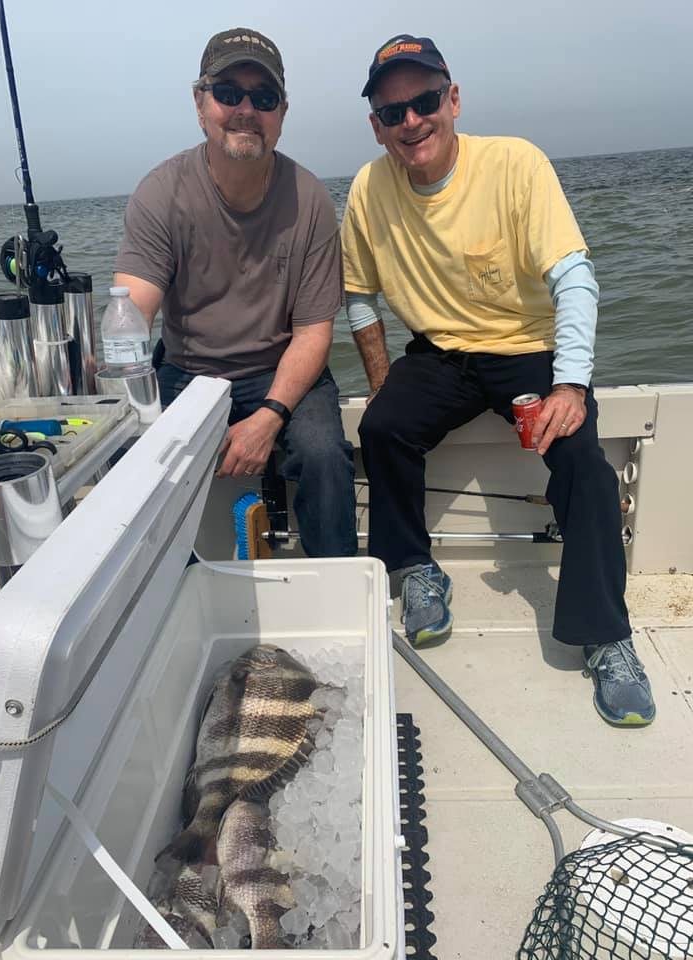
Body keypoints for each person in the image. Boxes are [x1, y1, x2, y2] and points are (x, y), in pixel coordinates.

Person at [341, 34, 655, 725]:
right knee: (382, 426)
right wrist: (383, 376)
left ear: (453, 100)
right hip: (438, 356)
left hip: (528, 350)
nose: (411, 121)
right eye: (393, 113)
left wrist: (570, 385)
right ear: (377, 126)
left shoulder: (515, 163)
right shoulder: (369, 187)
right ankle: (413, 570)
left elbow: (574, 277)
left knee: (583, 465)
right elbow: (358, 294)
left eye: (424, 102)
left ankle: (606, 636)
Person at [114, 27, 357, 558]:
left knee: (324, 458)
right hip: (187, 371)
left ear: (282, 112)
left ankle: (336, 592)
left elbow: (315, 333)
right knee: (126, 462)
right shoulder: (161, 193)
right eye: (228, 94)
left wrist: (269, 416)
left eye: (263, 98)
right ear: (200, 104)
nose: (246, 109)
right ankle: (165, 593)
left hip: (282, 366)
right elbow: (129, 319)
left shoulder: (310, 198)